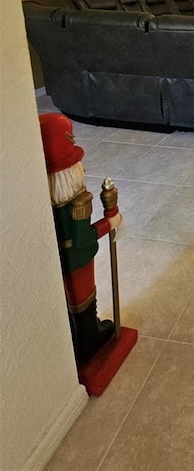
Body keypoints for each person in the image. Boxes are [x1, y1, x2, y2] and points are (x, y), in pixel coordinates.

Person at [39, 113, 122, 364]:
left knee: (70, 299)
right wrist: (110, 221)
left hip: (60, 259)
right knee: (84, 295)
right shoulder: (76, 202)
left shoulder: (45, 200)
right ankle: (89, 339)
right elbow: (82, 238)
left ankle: (79, 337)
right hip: (79, 261)